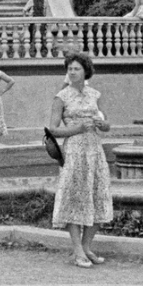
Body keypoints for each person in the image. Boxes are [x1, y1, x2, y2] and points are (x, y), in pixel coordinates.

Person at [48, 52, 113, 268]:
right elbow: (53, 129)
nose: (72, 72)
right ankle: (77, 250)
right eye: (70, 69)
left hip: (94, 149)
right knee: (75, 197)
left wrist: (103, 125)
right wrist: (76, 128)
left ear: (86, 71)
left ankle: (86, 247)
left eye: (76, 68)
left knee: (97, 194)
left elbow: (106, 122)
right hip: (75, 150)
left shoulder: (95, 94)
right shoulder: (62, 96)